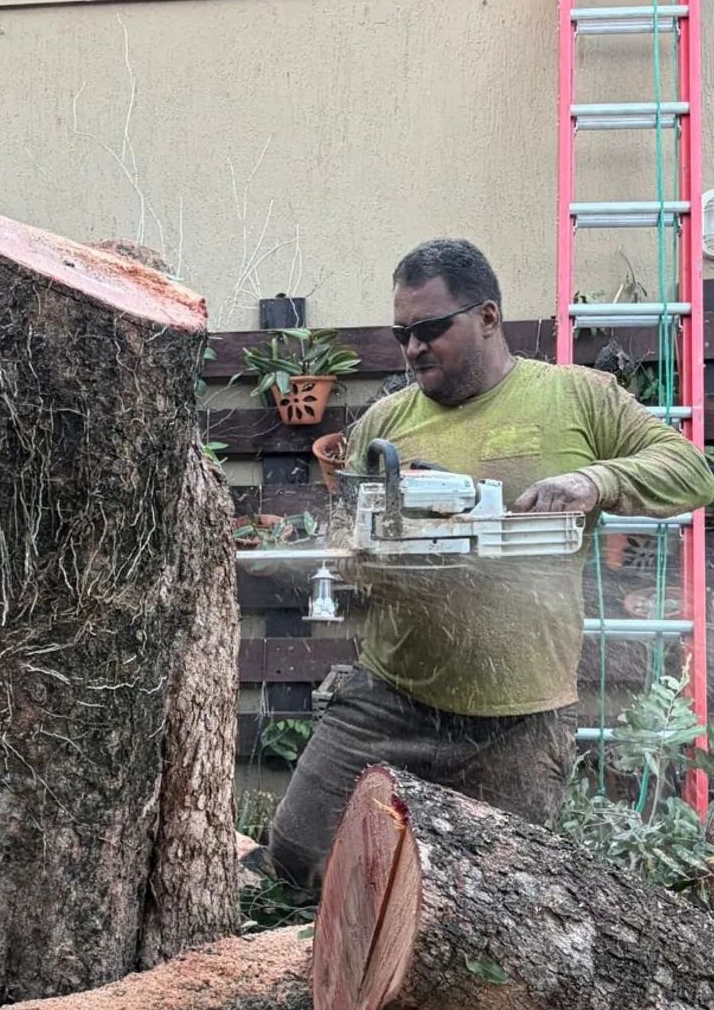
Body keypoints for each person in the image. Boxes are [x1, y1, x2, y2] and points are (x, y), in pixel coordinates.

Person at [266, 238, 714, 899]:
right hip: (390, 699)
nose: (413, 347)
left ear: (487, 316)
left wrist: (594, 481)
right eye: (401, 333)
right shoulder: (386, 423)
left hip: (520, 721)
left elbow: (691, 471)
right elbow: (349, 535)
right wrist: (354, 559)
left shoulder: (577, 397)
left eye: (428, 328)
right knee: (298, 852)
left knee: (496, 904)